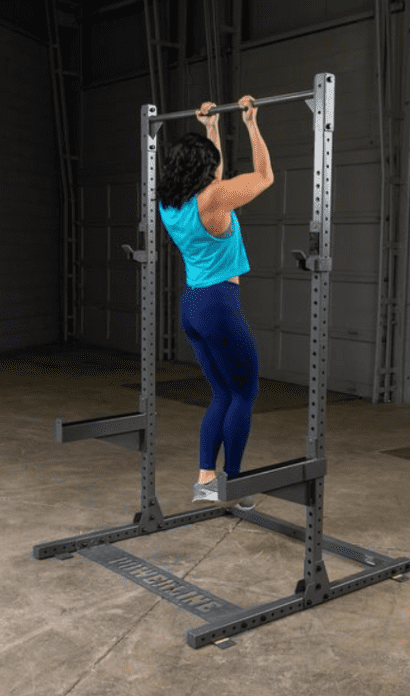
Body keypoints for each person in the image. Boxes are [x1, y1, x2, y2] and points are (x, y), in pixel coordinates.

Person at [157, 95, 274, 511]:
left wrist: (211, 127)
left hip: (192, 305)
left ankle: (206, 478)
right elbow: (264, 176)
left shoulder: (171, 203)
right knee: (244, 394)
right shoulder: (214, 200)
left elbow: (216, 175)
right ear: (204, 171)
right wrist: (251, 123)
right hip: (220, 304)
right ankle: (234, 485)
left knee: (221, 394)